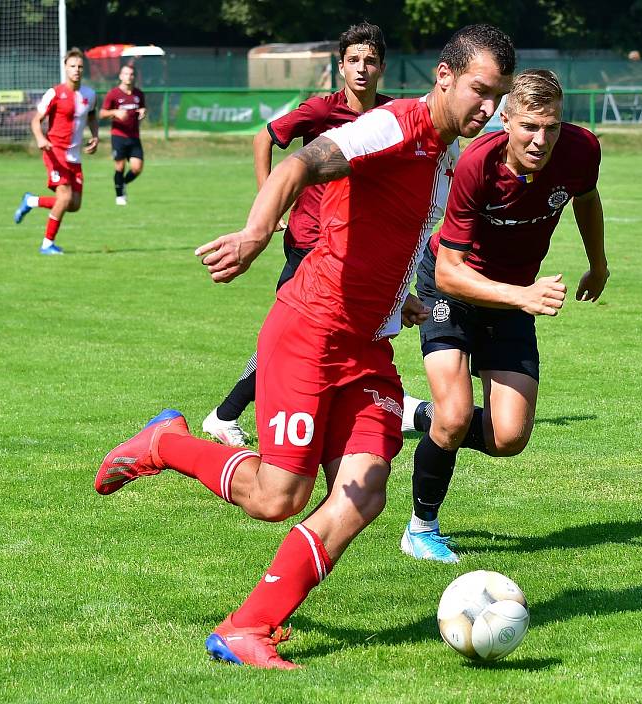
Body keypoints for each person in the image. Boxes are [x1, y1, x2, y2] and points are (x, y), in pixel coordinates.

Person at [95, 24, 515, 669]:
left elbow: (392, 239)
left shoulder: (442, 159)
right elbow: (298, 161)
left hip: (368, 347)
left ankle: (248, 627)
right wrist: (257, 234)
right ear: (444, 77)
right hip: (310, 332)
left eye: (498, 97)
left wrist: (398, 301)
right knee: (277, 497)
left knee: (366, 493)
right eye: (480, 92)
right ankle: (163, 444)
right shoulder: (392, 126)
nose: (487, 109)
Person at [400, 69, 610, 563]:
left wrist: (598, 263)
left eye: (552, 127)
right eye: (530, 127)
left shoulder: (582, 150)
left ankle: (418, 416)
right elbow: (450, 276)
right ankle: (421, 527)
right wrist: (522, 297)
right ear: (506, 119)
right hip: (453, 283)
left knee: (508, 437)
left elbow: (587, 197)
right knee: (453, 421)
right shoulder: (477, 163)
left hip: (514, 294)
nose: (541, 140)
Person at [202, 22, 391, 447]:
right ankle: (225, 414)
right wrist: (270, 208)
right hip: (309, 242)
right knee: (290, 336)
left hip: (354, 246)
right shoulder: (321, 111)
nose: (362, 68)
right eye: (354, 60)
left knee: (335, 336)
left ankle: (345, 412)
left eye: (370, 60)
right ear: (341, 66)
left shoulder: (389, 116)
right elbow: (263, 139)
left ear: (382, 67)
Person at [13, 48, 98, 254]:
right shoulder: (54, 93)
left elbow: (92, 117)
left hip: (75, 157)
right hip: (55, 152)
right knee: (65, 197)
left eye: (79, 67)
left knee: (74, 204)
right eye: (72, 66)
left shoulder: (89, 94)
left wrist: (95, 137)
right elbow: (36, 120)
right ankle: (47, 244)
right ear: (65, 68)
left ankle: (31, 201)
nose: (76, 70)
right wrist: (41, 138)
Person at [99, 64, 147, 206]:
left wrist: (143, 111)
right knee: (119, 167)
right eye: (126, 74)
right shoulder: (113, 94)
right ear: (120, 76)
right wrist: (115, 112)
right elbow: (102, 113)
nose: (129, 77)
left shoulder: (139, 94)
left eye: (131, 74)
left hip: (134, 136)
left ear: (134, 76)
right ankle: (119, 196)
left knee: (137, 168)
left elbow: (142, 108)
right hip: (118, 136)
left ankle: (122, 183)